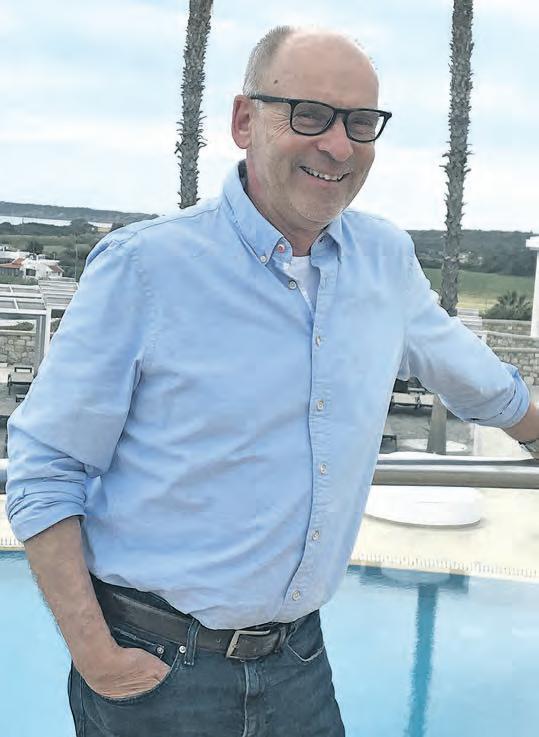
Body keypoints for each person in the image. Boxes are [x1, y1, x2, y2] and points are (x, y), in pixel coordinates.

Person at [6, 25, 539, 737]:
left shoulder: (383, 260)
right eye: (309, 115)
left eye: (360, 122)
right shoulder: (145, 269)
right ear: (243, 121)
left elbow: (481, 382)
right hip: (157, 667)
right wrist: (96, 655)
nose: (339, 145)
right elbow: (46, 467)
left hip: (298, 662)